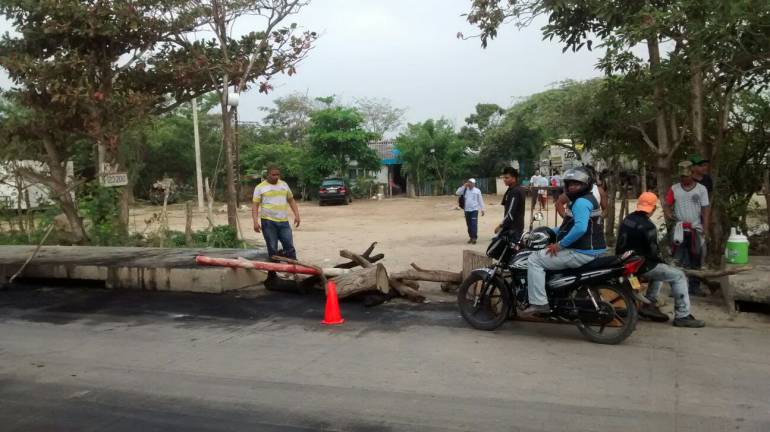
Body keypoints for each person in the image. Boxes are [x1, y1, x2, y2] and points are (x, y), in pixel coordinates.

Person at [521, 167, 607, 316]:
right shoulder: (587, 199)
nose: (573, 187)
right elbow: (570, 225)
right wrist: (549, 231)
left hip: (581, 251)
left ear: (585, 184)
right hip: (593, 248)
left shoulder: (580, 202)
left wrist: (559, 245)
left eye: (577, 184)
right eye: (570, 184)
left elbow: (580, 228)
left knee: (535, 259)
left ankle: (539, 303)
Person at [616, 192, 705, 327]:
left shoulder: (626, 220)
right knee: (678, 276)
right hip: (640, 265)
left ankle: (649, 303)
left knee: (660, 272)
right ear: (653, 208)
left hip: (624, 262)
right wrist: (664, 261)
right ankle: (683, 315)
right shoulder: (648, 226)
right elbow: (653, 253)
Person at [664, 161, 710, 297]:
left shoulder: (701, 189)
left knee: (696, 257)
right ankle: (677, 288)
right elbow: (667, 204)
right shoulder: (674, 188)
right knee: (678, 259)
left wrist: (705, 228)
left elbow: (706, 209)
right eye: (682, 177)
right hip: (679, 229)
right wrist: (668, 213)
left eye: (686, 177)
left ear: (692, 175)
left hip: (695, 228)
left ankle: (694, 287)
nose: (684, 180)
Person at [252, 165, 301, 260]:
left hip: (283, 221)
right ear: (268, 175)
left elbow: (291, 200)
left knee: (289, 247)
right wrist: (255, 222)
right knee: (272, 249)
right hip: (268, 222)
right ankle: (273, 273)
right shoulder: (260, 187)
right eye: (273, 175)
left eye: (277, 174)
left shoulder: (284, 185)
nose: (276, 177)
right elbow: (255, 205)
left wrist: (297, 215)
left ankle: (294, 271)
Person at [496, 167, 526, 239]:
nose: (504, 180)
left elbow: (510, 213)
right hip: (513, 227)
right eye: (504, 178)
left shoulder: (515, 191)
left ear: (514, 178)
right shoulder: (511, 189)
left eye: (507, 178)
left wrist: (500, 226)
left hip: (513, 228)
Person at [455, 178, 485, 244]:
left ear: (474, 184)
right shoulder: (465, 190)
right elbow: (457, 193)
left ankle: (474, 238)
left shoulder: (477, 191)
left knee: (474, 224)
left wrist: (482, 209)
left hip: (474, 210)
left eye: (471, 183)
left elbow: (480, 200)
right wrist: (463, 186)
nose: (470, 184)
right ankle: (471, 237)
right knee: (469, 225)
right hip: (466, 210)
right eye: (469, 182)